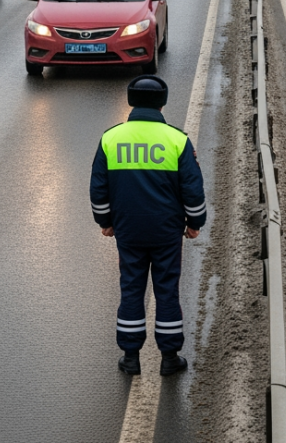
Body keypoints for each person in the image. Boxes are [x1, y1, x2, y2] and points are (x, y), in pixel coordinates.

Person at [90, 76, 207, 377]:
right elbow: (192, 190)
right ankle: (169, 359)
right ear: (162, 103)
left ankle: (131, 359)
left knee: (132, 288)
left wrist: (105, 222)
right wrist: (195, 223)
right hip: (167, 231)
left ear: (131, 102)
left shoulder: (110, 139)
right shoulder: (177, 140)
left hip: (128, 231)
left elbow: (98, 189)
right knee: (166, 290)